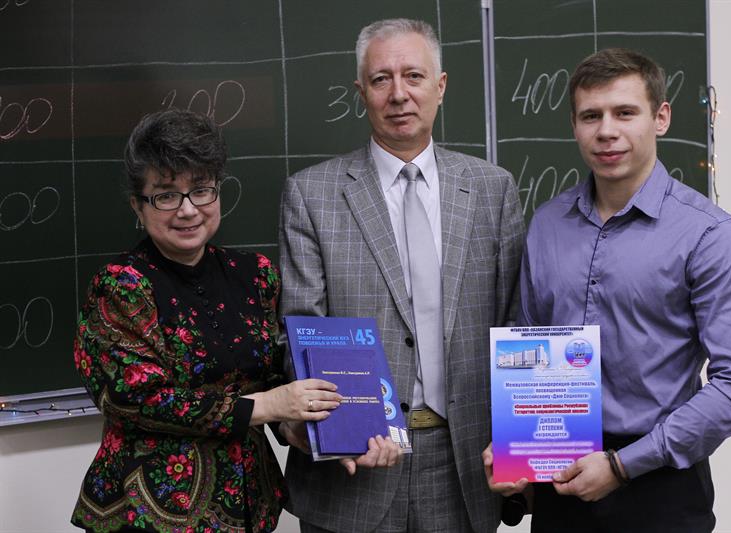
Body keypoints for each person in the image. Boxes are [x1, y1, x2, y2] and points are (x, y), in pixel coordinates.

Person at [483, 48, 731, 532]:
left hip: (661, 487)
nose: (606, 131)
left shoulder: (710, 236)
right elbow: (529, 351)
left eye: (625, 112)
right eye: (591, 116)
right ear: (574, 125)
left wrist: (622, 465)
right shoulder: (547, 225)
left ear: (661, 118)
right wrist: (516, 453)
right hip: (559, 482)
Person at [278, 18, 524, 533]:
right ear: (361, 92)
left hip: (462, 464)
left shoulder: (493, 190)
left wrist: (520, 446)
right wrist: (341, 431)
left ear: (441, 86)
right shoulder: (311, 195)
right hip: (353, 467)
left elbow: (513, 326)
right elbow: (301, 330)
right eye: (381, 79)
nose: (398, 94)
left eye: (414, 76)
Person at [71, 108, 345, 533]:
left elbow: (275, 376)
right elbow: (136, 399)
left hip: (247, 505)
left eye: (201, 190)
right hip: (150, 512)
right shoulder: (122, 286)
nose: (187, 210)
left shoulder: (255, 275)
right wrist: (270, 405)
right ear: (138, 206)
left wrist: (305, 429)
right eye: (166, 195)